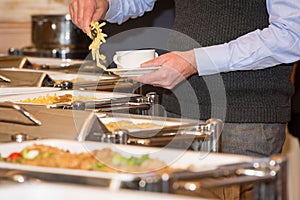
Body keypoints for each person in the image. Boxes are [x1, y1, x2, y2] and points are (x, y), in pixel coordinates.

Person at [69, 0, 300, 158]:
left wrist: (195, 61)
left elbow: (291, 36)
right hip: (176, 110)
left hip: (244, 120)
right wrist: (107, 4)